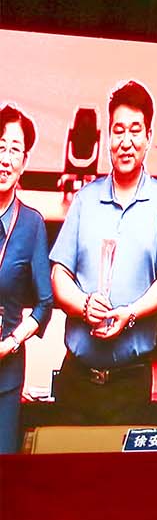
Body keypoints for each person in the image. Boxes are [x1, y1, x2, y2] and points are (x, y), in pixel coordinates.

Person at [47, 81, 157, 424]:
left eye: (135, 131)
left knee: (122, 462)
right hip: (76, 380)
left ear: (148, 137)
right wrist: (84, 306)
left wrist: (130, 313)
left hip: (130, 384)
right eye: (118, 130)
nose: (126, 141)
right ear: (108, 136)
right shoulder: (85, 199)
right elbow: (58, 275)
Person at [0, 104, 54, 454]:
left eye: (14, 150)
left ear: (25, 161)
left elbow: (45, 304)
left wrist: (11, 342)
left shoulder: (32, 224)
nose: (5, 159)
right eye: (0, 147)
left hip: (4, 378)